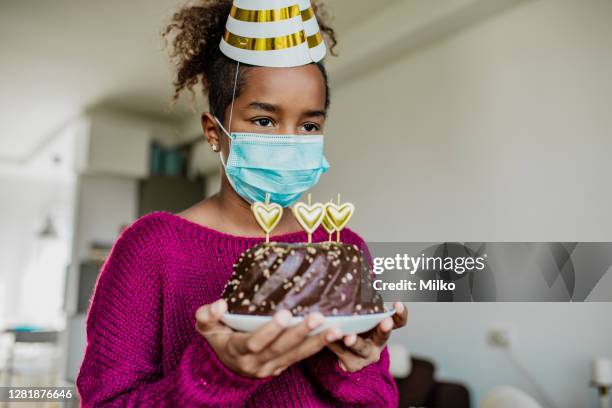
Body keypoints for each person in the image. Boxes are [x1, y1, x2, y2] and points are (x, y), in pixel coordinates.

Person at [76, 0, 407, 406]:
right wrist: (217, 373)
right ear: (214, 132)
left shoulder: (345, 248)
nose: (289, 141)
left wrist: (352, 365)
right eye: (264, 120)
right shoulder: (150, 248)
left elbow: (381, 400)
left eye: (309, 125)